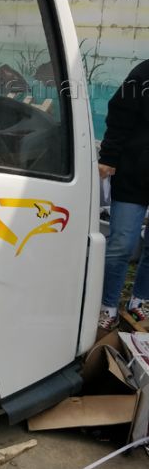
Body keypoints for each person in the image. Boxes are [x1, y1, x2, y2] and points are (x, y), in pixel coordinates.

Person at [98, 60, 149, 329]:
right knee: (121, 245)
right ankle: (107, 306)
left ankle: (139, 302)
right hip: (133, 176)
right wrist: (108, 157)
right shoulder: (142, 75)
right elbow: (118, 119)